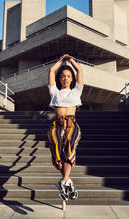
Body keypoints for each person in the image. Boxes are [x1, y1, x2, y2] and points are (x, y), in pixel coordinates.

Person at [47, 53, 84, 201]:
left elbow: (80, 71)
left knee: (69, 150)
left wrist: (71, 61)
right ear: (60, 78)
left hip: (72, 124)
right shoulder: (54, 91)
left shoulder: (76, 91)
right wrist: (60, 61)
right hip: (57, 124)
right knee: (56, 154)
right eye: (63, 76)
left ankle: (64, 181)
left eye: (68, 76)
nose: (65, 78)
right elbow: (51, 71)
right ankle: (67, 181)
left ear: (71, 78)